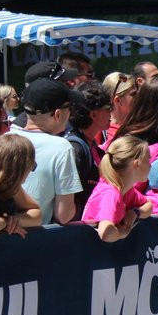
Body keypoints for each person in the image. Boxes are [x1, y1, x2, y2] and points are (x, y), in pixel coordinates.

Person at [6, 76, 83, 225]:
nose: (71, 114)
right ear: (58, 114)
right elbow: (64, 215)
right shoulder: (61, 148)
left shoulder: (4, 140)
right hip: (38, 240)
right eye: (70, 109)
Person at [81, 135, 154, 242]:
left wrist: (135, 212)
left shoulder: (127, 191)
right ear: (136, 164)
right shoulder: (111, 193)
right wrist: (122, 234)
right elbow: (106, 232)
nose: (150, 165)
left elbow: (149, 205)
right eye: (148, 160)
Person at [66, 82, 112, 218]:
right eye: (109, 108)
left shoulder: (95, 149)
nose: (111, 112)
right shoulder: (75, 149)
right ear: (93, 114)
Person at [100, 72, 137, 145]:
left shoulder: (137, 128)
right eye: (133, 94)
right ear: (118, 100)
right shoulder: (110, 137)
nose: (138, 97)